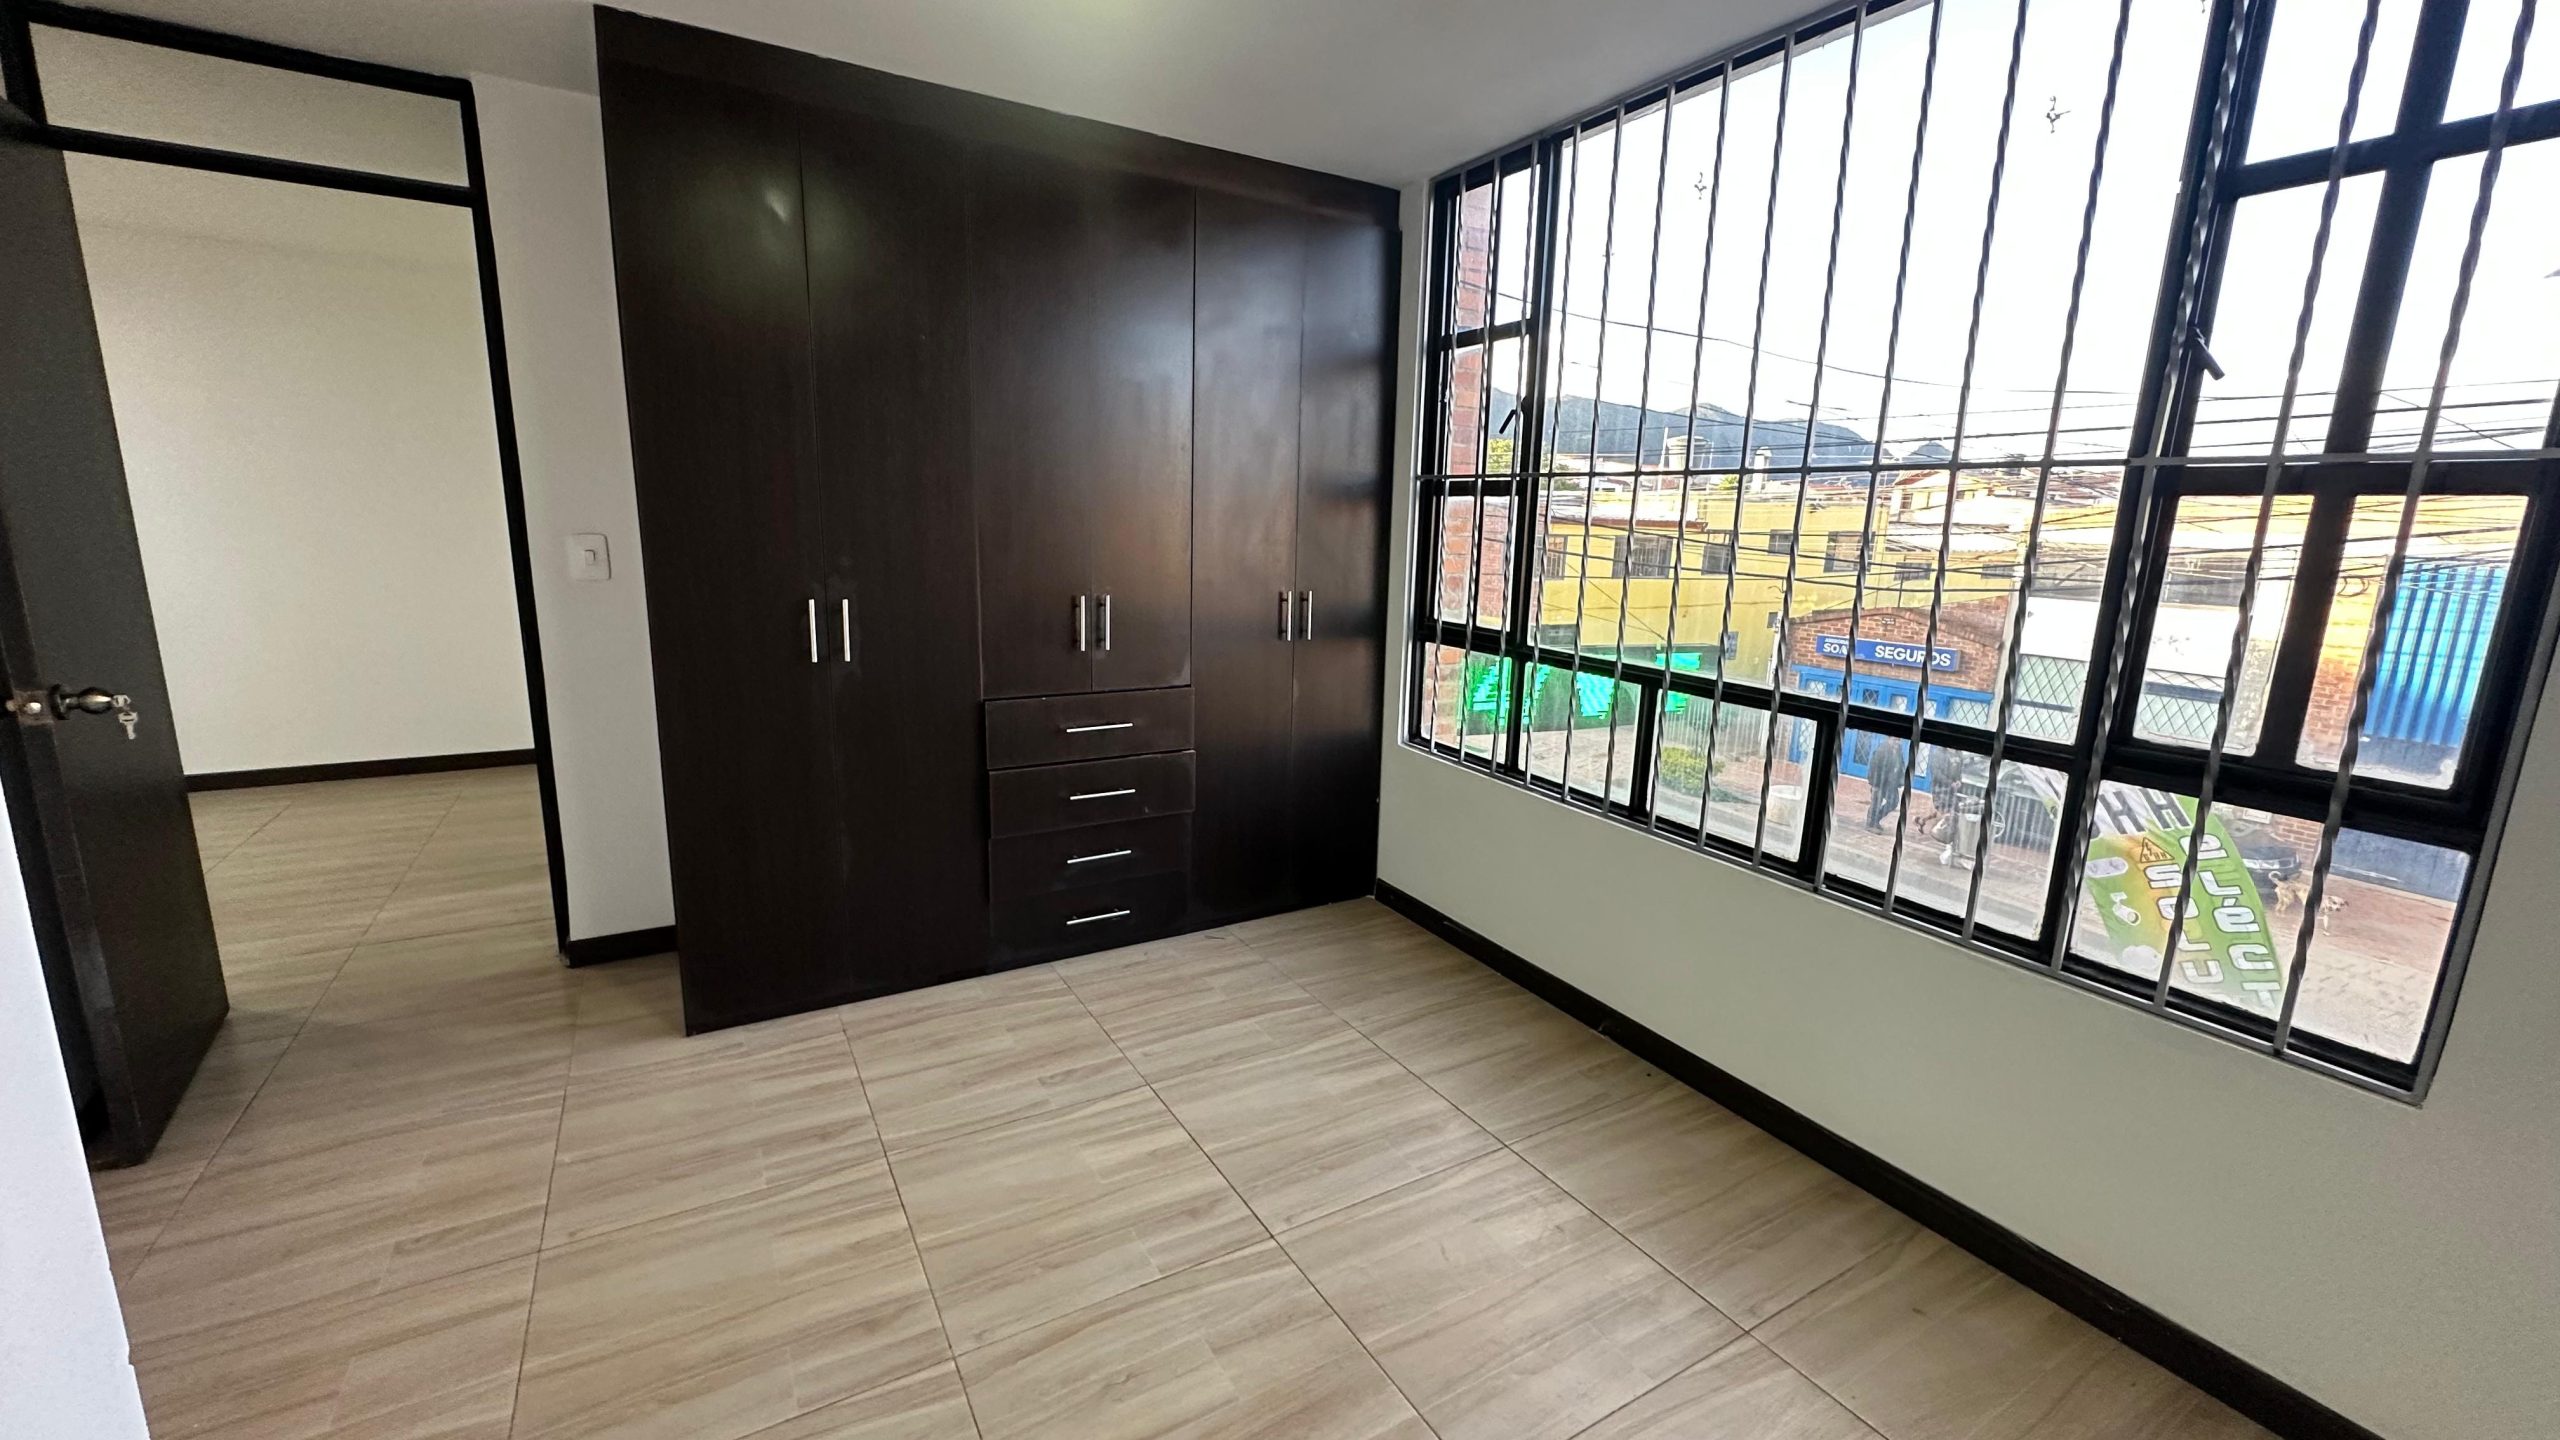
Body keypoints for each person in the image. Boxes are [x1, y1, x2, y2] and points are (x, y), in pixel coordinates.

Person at [1866, 737, 1908, 831]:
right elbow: (1874, 767)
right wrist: (1875, 783)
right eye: (1895, 740)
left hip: (1891, 784)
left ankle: (1876, 820)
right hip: (1880, 782)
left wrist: (1900, 781)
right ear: (1889, 739)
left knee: (1893, 802)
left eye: (1899, 740)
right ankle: (1870, 824)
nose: (1897, 742)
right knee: (1876, 803)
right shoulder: (1882, 750)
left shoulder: (1898, 751)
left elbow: (1900, 766)